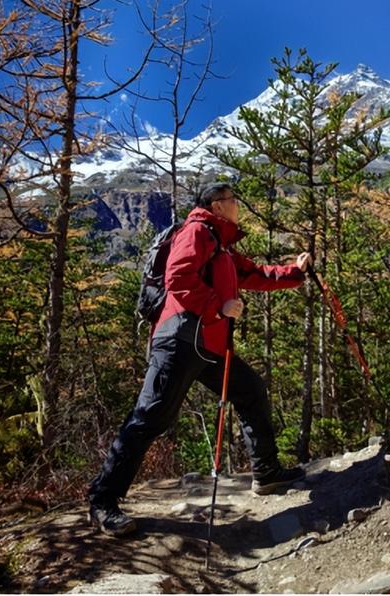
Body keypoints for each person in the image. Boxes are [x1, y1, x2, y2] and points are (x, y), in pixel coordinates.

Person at [88, 182, 312, 536]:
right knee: (149, 417)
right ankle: (102, 501)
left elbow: (254, 274)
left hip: (206, 344)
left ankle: (266, 473)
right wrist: (217, 308)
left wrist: (295, 272)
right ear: (217, 206)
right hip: (179, 340)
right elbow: (179, 277)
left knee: (250, 390)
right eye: (233, 200)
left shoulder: (219, 245)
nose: (238, 205)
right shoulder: (197, 231)